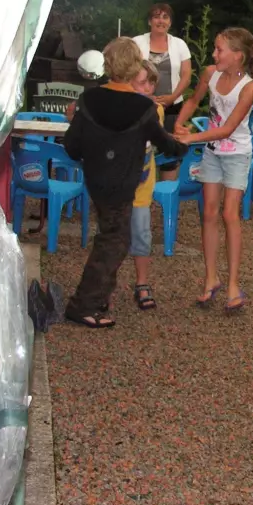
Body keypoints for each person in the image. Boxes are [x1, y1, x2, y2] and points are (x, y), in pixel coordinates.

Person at [62, 37, 186, 328]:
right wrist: (183, 146)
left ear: (107, 65)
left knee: (112, 237)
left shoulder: (88, 100)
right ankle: (83, 305)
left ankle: (100, 297)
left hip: (97, 181)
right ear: (134, 67)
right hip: (123, 184)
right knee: (113, 243)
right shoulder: (142, 107)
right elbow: (163, 143)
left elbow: (72, 146)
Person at [176, 28, 253, 313]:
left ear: (238, 56)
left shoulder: (249, 88)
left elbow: (227, 129)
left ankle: (233, 284)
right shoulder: (210, 74)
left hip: (237, 154)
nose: (213, 54)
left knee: (229, 214)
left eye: (219, 49)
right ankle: (211, 278)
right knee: (209, 213)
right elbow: (192, 100)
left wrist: (190, 138)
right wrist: (180, 124)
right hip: (212, 152)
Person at [132, 4, 193, 176]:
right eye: (157, 16)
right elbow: (127, 73)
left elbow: (186, 75)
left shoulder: (180, 44)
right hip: (141, 106)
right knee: (140, 150)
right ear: (149, 21)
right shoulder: (136, 42)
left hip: (172, 107)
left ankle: (167, 190)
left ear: (170, 22)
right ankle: (141, 189)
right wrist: (145, 96)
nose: (161, 21)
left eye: (165, 17)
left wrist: (172, 97)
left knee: (170, 155)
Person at [128, 59, 165, 311]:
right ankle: (105, 286)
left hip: (141, 186)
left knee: (142, 235)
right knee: (114, 238)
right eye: (142, 83)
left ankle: (142, 283)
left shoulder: (156, 111)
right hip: (117, 187)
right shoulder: (116, 109)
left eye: (151, 83)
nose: (148, 88)